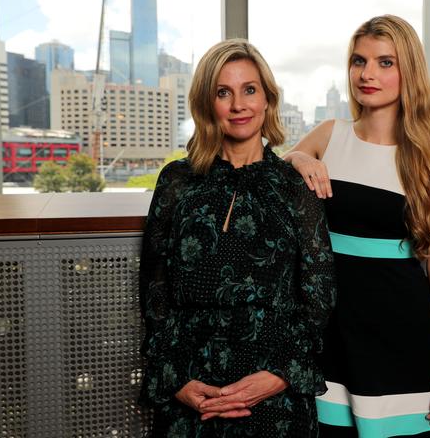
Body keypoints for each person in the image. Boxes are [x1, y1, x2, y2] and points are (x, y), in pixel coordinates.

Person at [283, 15, 430, 437]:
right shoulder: (330, 135)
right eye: (358, 61)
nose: (367, 74)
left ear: (410, 72)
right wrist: (301, 158)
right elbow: (272, 173)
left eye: (385, 62)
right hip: (333, 337)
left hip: (404, 334)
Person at [138, 38, 336, 437]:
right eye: (222, 92)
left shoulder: (294, 186)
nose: (238, 105)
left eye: (250, 90)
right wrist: (176, 379)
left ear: (267, 99)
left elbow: (320, 298)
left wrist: (280, 375)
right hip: (193, 392)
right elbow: (155, 292)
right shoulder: (176, 181)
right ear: (206, 103)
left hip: (274, 395)